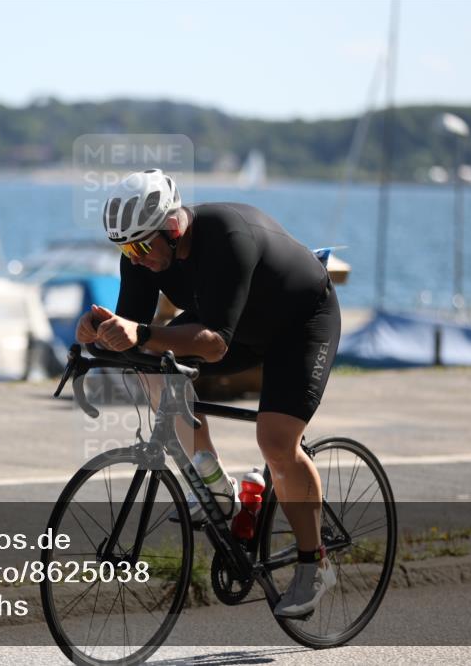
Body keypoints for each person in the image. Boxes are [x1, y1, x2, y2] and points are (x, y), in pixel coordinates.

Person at [74, 169, 341, 618]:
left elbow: (214, 344)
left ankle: (314, 565)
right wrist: (95, 336)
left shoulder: (227, 236)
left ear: (172, 228)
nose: (135, 259)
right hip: (240, 327)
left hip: (300, 325)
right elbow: (133, 338)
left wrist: (141, 333)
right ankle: (216, 486)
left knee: (276, 442)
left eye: (141, 247)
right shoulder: (142, 256)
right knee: (155, 370)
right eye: (125, 250)